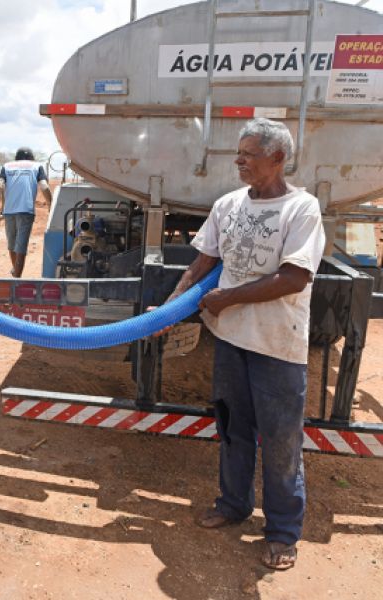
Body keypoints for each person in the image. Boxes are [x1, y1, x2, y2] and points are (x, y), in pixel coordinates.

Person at [158, 118, 325, 570]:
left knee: (281, 442)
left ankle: (282, 532)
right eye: (239, 152)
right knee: (233, 429)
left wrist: (227, 298)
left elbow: (294, 278)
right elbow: (202, 263)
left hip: (277, 345)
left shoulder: (301, 209)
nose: (239, 161)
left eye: (249, 154)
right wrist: (168, 309)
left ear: (278, 158)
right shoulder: (228, 204)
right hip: (230, 339)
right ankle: (233, 505)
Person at [0, 148, 53, 277]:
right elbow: (44, 186)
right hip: (26, 210)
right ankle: (17, 276)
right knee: (21, 245)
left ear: (16, 158)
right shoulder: (37, 166)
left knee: (12, 243)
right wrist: (50, 205)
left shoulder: (7, 166)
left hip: (9, 211)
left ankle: (16, 272)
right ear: (31, 158)